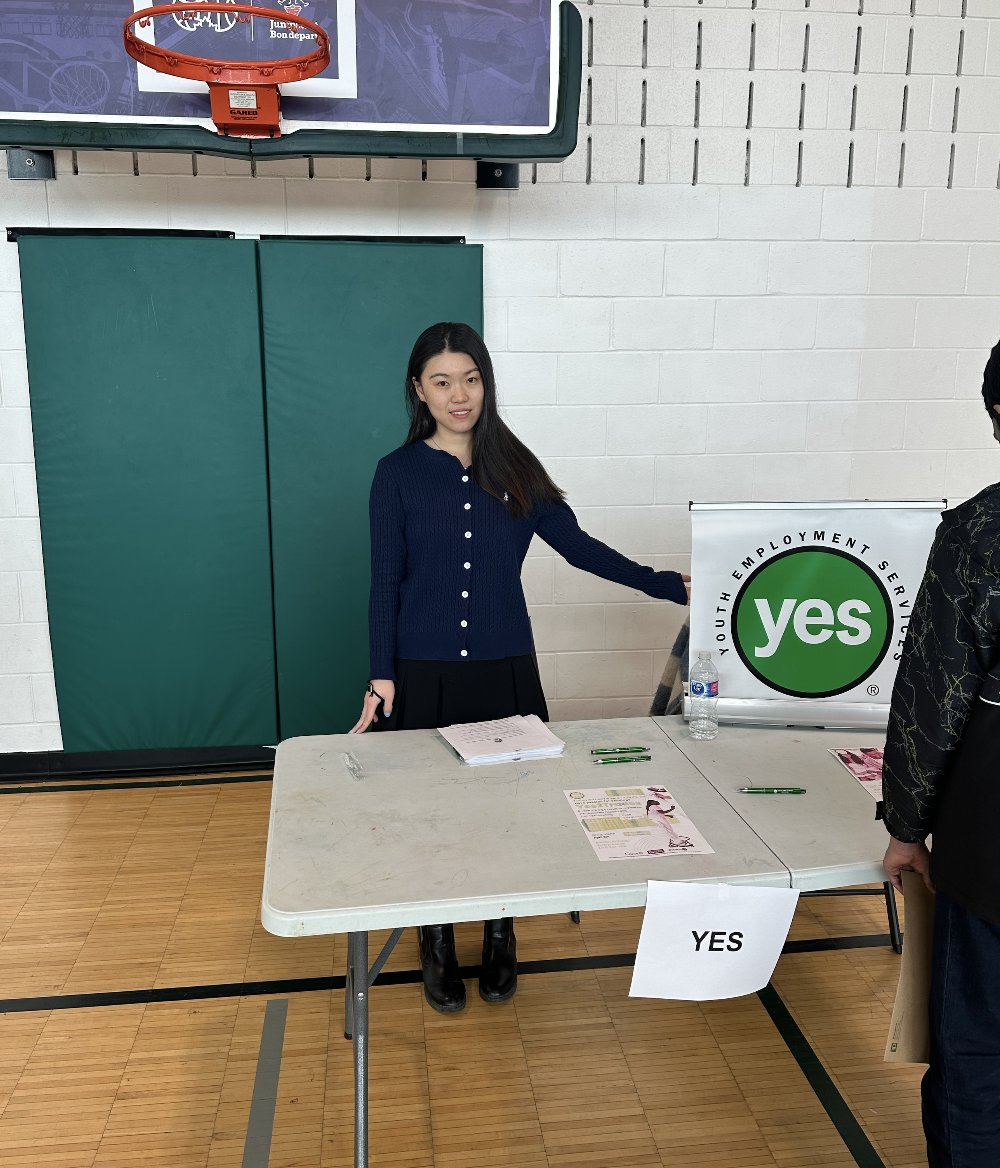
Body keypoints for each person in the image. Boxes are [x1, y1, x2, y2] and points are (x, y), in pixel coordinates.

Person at [350, 321, 690, 1014]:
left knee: (510, 808)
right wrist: (380, 675)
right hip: (426, 671)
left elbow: (580, 548)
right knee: (433, 811)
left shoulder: (516, 466)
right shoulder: (397, 474)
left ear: (487, 383)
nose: (459, 395)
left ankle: (499, 928)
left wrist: (665, 584)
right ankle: (436, 934)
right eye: (441, 381)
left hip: (505, 671)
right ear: (418, 389)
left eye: (470, 379)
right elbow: (385, 581)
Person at [882, 339, 1000, 1168]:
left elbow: (934, 695)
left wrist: (905, 824)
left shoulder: (980, 532)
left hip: (993, 855)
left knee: (980, 1057)